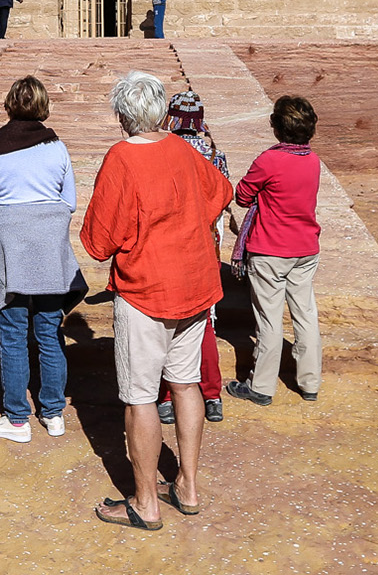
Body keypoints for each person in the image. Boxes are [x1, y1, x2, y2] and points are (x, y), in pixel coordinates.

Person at [81, 71, 233, 530]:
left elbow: (98, 241)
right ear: (162, 112)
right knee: (186, 383)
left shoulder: (122, 159)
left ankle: (146, 502)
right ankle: (187, 485)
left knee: (141, 397)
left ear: (121, 116)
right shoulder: (183, 149)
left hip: (147, 290)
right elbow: (220, 193)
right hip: (195, 283)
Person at [0, 76, 85, 443]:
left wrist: (13, 207)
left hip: (10, 256)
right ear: (44, 106)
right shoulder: (57, 148)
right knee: (49, 333)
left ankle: (17, 420)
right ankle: (54, 414)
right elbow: (71, 203)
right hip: (49, 255)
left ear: (9, 105)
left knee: (13, 336)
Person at [225, 96, 324, 407]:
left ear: (277, 128)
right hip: (305, 248)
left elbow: (242, 197)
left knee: (268, 321)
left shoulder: (269, 161)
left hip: (270, 251)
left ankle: (262, 386)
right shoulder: (312, 160)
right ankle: (309, 382)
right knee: (305, 315)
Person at [154, 90, 226, 426]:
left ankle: (167, 398)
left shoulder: (165, 150)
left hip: (171, 242)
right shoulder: (213, 152)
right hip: (206, 243)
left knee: (169, 322)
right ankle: (212, 395)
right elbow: (223, 194)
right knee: (203, 323)